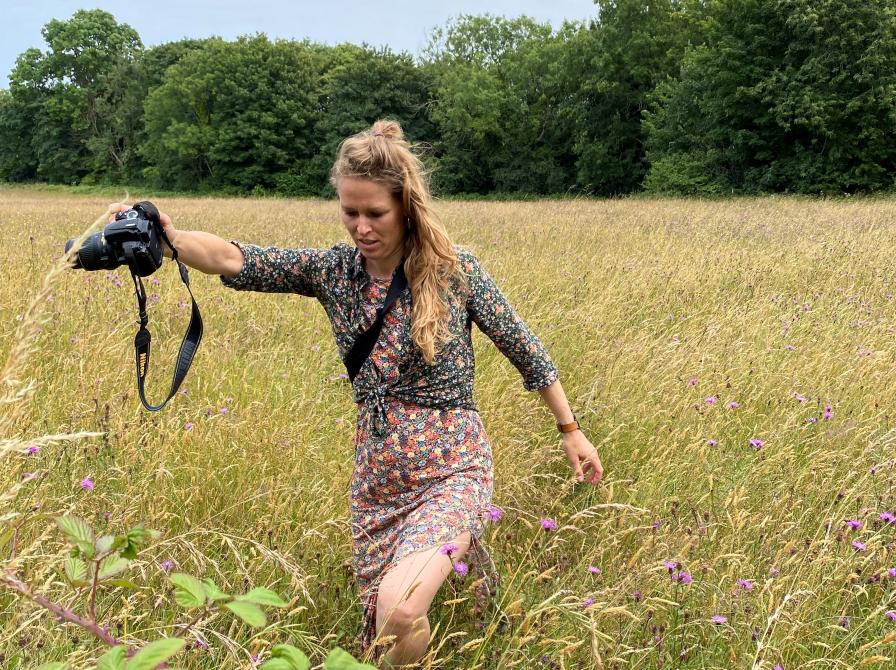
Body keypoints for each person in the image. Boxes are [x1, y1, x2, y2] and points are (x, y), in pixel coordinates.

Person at [110, 119, 603, 667]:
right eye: (350, 212)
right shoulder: (334, 272)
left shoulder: (454, 272)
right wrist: (169, 240)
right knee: (380, 632)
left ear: (407, 206)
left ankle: (461, 551)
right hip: (378, 477)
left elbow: (524, 348)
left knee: (398, 609)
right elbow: (236, 259)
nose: (361, 227)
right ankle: (473, 585)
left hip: (453, 465)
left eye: (376, 213)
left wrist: (570, 430)